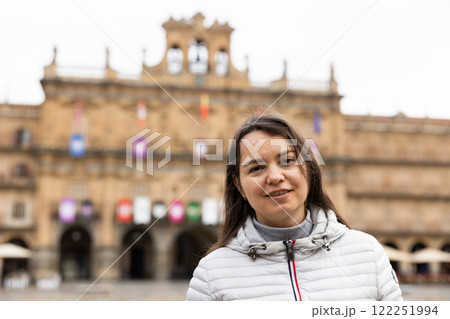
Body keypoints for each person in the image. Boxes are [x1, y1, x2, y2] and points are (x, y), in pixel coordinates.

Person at [186, 113, 402, 301]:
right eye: (256, 168)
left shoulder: (368, 254)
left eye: (287, 160)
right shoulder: (211, 275)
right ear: (239, 186)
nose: (275, 176)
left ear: (307, 169)